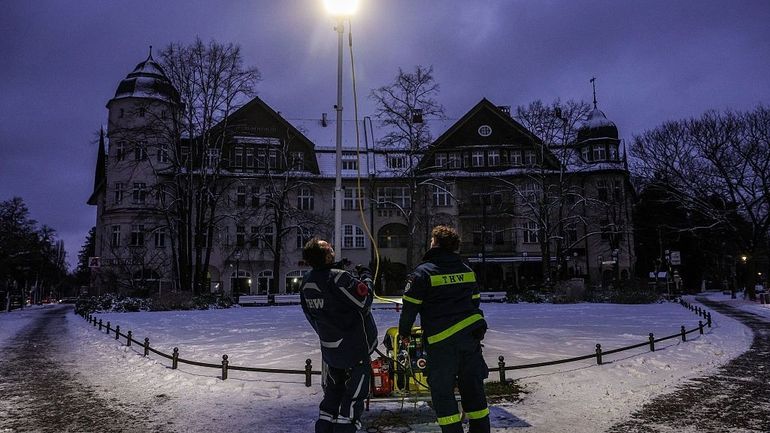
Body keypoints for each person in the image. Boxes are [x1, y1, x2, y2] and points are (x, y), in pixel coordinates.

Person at [398, 225, 490, 433]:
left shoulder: (423, 273)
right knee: (474, 391)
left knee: (443, 394)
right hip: (470, 339)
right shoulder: (466, 270)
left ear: (435, 243)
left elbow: (409, 308)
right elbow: (475, 302)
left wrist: (404, 333)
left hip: (441, 344)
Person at [300, 237, 377, 433]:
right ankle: (345, 428)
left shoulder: (308, 281)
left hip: (331, 348)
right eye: (329, 249)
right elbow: (365, 301)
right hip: (354, 348)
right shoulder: (338, 278)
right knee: (352, 398)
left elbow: (311, 315)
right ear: (326, 256)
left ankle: (324, 427)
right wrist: (366, 277)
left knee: (333, 395)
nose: (333, 249)